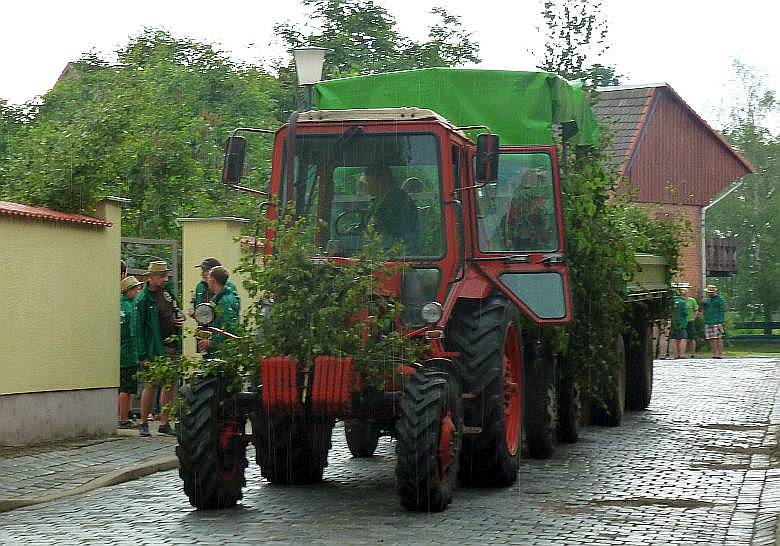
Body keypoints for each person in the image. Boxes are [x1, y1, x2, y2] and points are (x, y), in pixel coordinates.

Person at [136, 261, 183, 436]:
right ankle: (143, 422)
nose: (165, 279)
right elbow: (138, 329)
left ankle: (164, 422)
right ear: (151, 277)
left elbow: (176, 310)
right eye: (162, 276)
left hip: (170, 344)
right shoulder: (143, 299)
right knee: (151, 384)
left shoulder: (167, 293)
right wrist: (142, 354)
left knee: (169, 384)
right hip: (153, 347)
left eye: (166, 276)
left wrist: (179, 320)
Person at [364, 164, 419, 254]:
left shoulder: (398, 201)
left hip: (398, 256)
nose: (366, 186)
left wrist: (373, 231)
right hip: (383, 251)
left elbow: (393, 231)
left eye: (368, 182)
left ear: (381, 180)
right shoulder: (378, 200)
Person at [197, 266, 241, 358]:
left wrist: (211, 342)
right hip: (220, 352)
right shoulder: (221, 298)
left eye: (208, 278)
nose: (207, 281)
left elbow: (229, 330)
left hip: (221, 355)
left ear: (213, 280)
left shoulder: (224, 302)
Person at [118, 275, 142, 428]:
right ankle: (123, 419)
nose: (139, 291)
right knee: (126, 388)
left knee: (125, 387)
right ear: (129, 290)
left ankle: (125, 415)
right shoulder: (131, 307)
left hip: (124, 352)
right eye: (136, 288)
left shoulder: (122, 304)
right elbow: (133, 332)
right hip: (129, 353)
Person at [702, 284, 726, 359]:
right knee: (711, 338)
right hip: (708, 321)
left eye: (709, 292)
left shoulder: (720, 300)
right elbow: (704, 310)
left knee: (718, 338)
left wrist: (720, 322)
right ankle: (714, 353)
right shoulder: (707, 300)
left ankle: (720, 354)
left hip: (716, 321)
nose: (708, 293)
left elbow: (722, 311)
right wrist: (703, 304)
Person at [670, 289, 689, 359]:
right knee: (683, 338)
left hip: (673, 322)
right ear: (683, 295)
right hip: (681, 323)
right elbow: (686, 313)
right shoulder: (683, 302)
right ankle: (682, 354)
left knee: (673, 338)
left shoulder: (671, 301)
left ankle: (675, 354)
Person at [681, 287, 699, 357]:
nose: (684, 293)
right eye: (683, 292)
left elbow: (696, 310)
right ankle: (682, 353)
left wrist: (693, 318)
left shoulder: (692, 300)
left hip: (690, 321)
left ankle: (692, 353)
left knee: (692, 337)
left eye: (686, 291)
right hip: (682, 321)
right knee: (683, 337)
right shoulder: (680, 301)